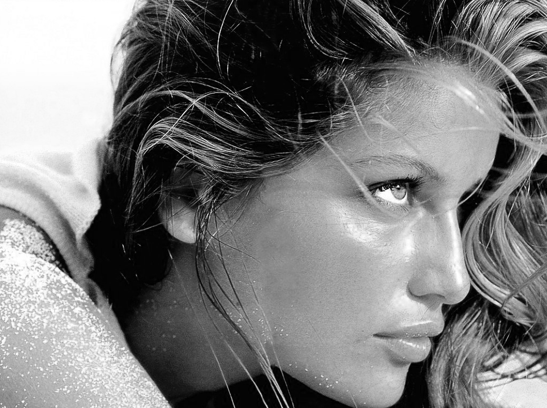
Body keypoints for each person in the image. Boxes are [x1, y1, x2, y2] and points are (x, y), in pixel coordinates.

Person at [1, 0, 547, 407]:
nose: (452, 280)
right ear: (191, 193)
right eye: (394, 189)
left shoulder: (301, 367)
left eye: (464, 201)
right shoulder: (16, 284)